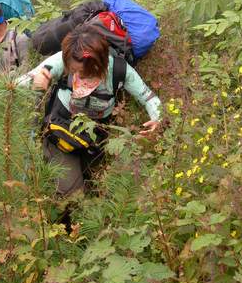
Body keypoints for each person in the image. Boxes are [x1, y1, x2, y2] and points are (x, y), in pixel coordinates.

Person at [18, 26, 161, 196]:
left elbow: (148, 97)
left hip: (95, 139)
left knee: (96, 188)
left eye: (82, 71)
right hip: (61, 132)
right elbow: (24, 80)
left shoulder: (119, 70)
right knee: (73, 193)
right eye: (73, 70)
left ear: (99, 64)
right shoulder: (65, 58)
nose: (76, 74)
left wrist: (158, 118)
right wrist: (40, 77)